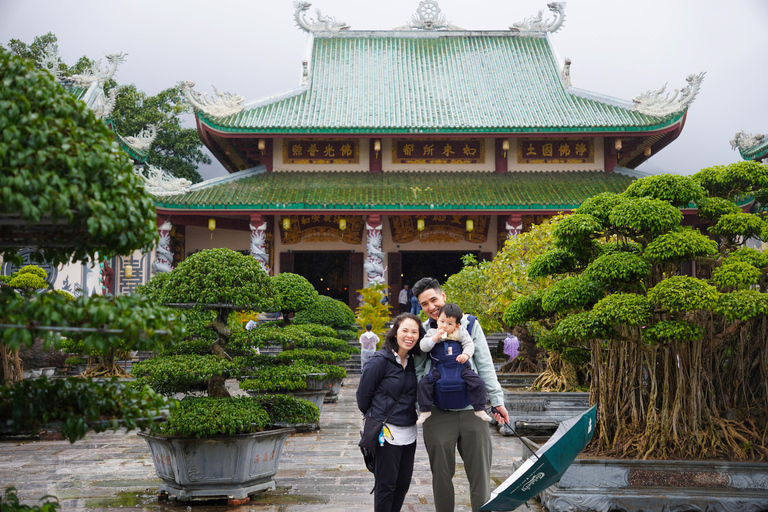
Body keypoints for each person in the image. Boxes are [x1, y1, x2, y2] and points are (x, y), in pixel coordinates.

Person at [412, 277, 510, 512]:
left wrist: (497, 401)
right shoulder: (424, 331)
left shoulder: (470, 324)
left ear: (443, 296)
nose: (431, 307)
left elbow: (484, 365)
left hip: (471, 413)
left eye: (433, 300)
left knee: (480, 475)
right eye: (424, 304)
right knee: (441, 477)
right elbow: (417, 371)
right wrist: (421, 405)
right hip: (437, 414)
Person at [356, 313, 424, 512]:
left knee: (402, 485)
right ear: (395, 333)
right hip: (386, 432)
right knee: (386, 486)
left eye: (414, 332)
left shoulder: (415, 363)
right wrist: (377, 415)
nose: (409, 335)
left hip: (409, 432)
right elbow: (362, 397)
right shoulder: (380, 361)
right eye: (405, 330)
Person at [416, 303, 492, 425]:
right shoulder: (431, 332)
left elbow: (469, 344)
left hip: (460, 367)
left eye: (449, 324)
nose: (444, 326)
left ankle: (479, 408)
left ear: (457, 325)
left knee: (478, 382)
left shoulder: (461, 332)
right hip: (440, 368)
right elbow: (423, 347)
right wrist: (435, 338)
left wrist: (465, 355)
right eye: (442, 321)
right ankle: (425, 410)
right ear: (437, 320)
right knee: (424, 384)